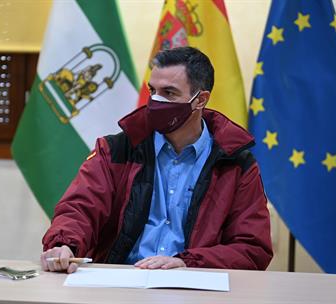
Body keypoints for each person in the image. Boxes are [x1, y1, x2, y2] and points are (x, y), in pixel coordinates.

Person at [41, 46, 273, 274]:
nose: (156, 101)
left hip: (195, 286)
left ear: (200, 100)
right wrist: (65, 244)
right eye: (153, 90)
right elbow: (79, 208)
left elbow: (252, 248)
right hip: (121, 281)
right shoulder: (117, 149)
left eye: (169, 93)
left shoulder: (235, 162)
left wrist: (188, 263)